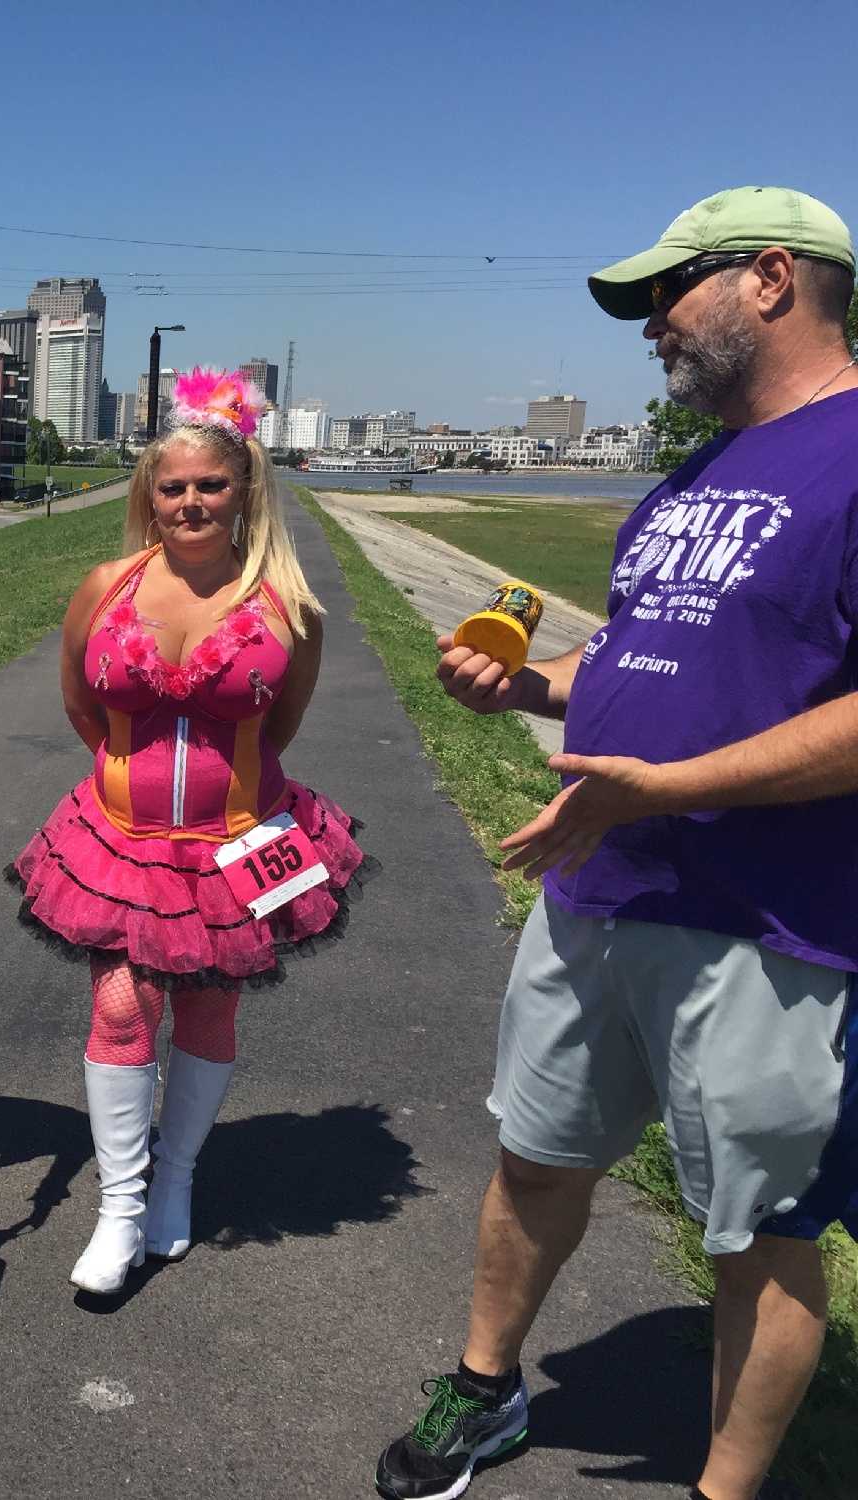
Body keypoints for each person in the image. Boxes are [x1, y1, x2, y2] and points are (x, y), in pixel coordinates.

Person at [373, 187, 858, 1500]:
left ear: (771, 278)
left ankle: (723, 1488)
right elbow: (628, 654)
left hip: (769, 933)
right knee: (535, 1155)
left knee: (760, 1234)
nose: (650, 326)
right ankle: (484, 1391)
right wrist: (527, 687)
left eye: (668, 291)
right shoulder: (689, 477)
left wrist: (664, 786)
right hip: (597, 886)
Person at [9, 369, 371, 1296]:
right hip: (121, 839)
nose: (191, 501)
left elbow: (279, 726)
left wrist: (220, 801)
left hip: (238, 841)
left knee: (210, 1007)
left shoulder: (287, 604)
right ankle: (121, 1207)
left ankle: (177, 1181)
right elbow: (81, 705)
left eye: (210, 484)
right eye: (172, 487)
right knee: (125, 1006)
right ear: (149, 496)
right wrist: (133, 782)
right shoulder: (105, 585)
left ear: (245, 486)